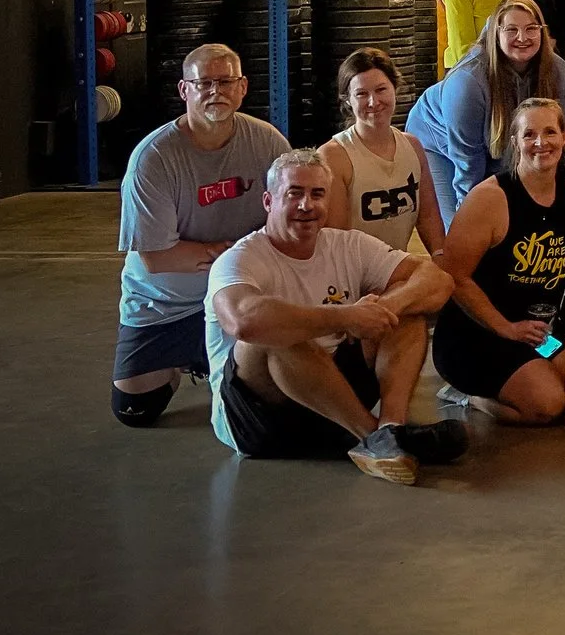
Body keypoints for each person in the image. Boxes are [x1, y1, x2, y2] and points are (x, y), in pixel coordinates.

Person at [205, 150, 462, 484]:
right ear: (268, 201)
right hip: (262, 417)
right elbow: (242, 320)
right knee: (276, 333)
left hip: (334, 397)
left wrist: (385, 308)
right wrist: (345, 316)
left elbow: (437, 280)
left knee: (407, 307)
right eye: (294, 193)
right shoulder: (239, 259)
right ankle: (373, 437)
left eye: (317, 194)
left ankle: (391, 429)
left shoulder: (346, 245)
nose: (306, 205)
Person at [111, 43, 295, 428]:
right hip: (166, 303)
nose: (216, 91)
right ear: (184, 90)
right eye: (204, 83)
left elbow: (288, 220)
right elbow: (156, 258)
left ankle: (225, 356)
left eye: (226, 81)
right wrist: (231, 256)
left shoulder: (268, 143)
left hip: (240, 296)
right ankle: (185, 359)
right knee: (134, 411)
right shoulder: (153, 159)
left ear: (243, 87)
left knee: (273, 402)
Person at [431, 96, 565, 424]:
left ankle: (526, 373)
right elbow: (454, 276)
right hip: (477, 335)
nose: (541, 143)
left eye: (550, 132)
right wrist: (506, 328)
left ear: (564, 138)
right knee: (549, 404)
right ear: (514, 142)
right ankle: (467, 396)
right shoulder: (489, 198)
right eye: (529, 135)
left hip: (534, 335)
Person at [412, 0, 565, 219]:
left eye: (531, 29)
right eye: (511, 30)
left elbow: (551, 147)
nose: (522, 38)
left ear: (542, 32)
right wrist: (472, 218)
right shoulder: (467, 83)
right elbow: (468, 163)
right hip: (440, 144)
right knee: (462, 232)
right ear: (496, 34)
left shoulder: (561, 75)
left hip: (496, 148)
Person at [320, 49, 446, 257]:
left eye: (381, 90)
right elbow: (336, 240)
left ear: (395, 89)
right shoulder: (334, 156)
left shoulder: (413, 146)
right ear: (347, 100)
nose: (373, 102)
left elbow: (429, 217)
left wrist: (441, 259)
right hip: (353, 274)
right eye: (361, 94)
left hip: (398, 269)